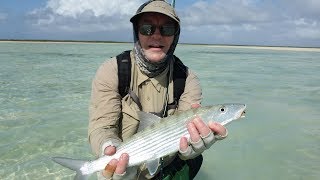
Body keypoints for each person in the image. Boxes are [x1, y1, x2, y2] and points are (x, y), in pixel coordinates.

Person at [88, 0, 227, 179]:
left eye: (167, 29)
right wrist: (108, 148)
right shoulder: (112, 70)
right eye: (147, 28)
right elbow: (102, 126)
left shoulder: (187, 79)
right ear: (136, 33)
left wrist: (192, 149)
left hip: (165, 169)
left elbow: (185, 139)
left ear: (175, 36)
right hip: (119, 172)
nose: (156, 36)